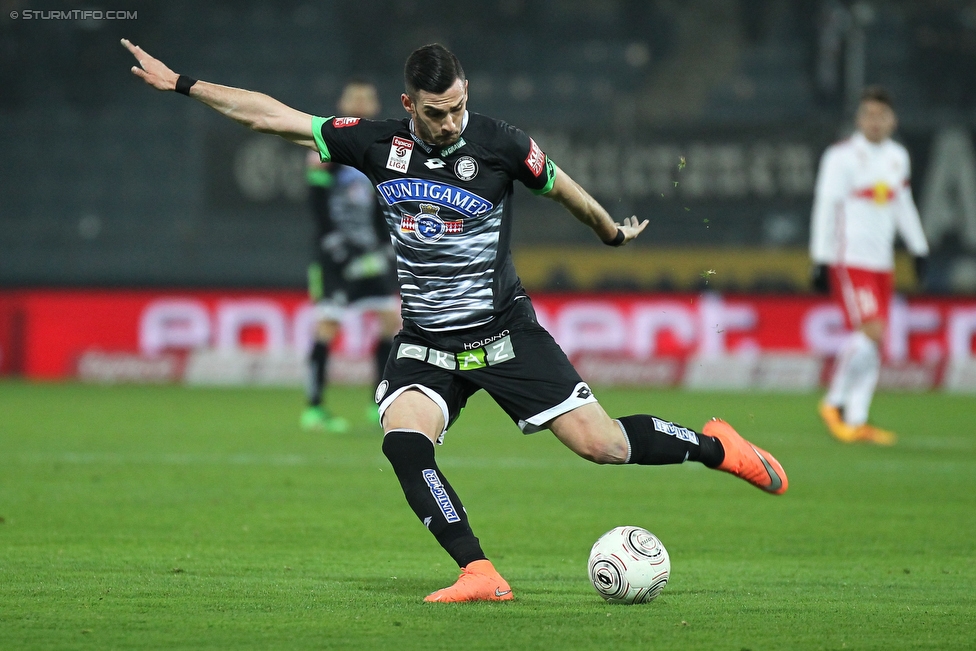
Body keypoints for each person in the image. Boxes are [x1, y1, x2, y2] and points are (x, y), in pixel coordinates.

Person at [123, 39, 789, 603]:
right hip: (427, 342)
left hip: (503, 332)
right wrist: (182, 83)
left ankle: (717, 447)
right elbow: (271, 118)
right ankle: (478, 568)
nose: (451, 122)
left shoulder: (499, 144)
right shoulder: (376, 144)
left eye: (459, 107)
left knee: (603, 444)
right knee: (403, 438)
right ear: (409, 104)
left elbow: (560, 186)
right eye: (438, 113)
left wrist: (610, 231)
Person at [810, 85, 929, 446]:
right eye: (868, 115)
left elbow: (902, 203)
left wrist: (919, 247)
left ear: (892, 120)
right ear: (859, 119)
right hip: (850, 259)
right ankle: (833, 403)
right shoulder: (841, 157)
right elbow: (826, 206)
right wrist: (820, 257)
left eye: (881, 115)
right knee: (871, 332)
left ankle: (858, 419)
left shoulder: (897, 157)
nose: (875, 122)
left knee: (874, 345)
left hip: (882, 262)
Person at [301, 80, 401, 432]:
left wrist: (385, 243)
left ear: (374, 105)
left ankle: (379, 401)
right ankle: (314, 408)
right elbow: (316, 199)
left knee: (391, 320)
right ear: (343, 103)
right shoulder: (327, 145)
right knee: (328, 324)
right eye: (354, 98)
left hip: (369, 250)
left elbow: (381, 202)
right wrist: (332, 242)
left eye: (366, 98)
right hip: (336, 253)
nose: (360, 103)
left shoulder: (379, 148)